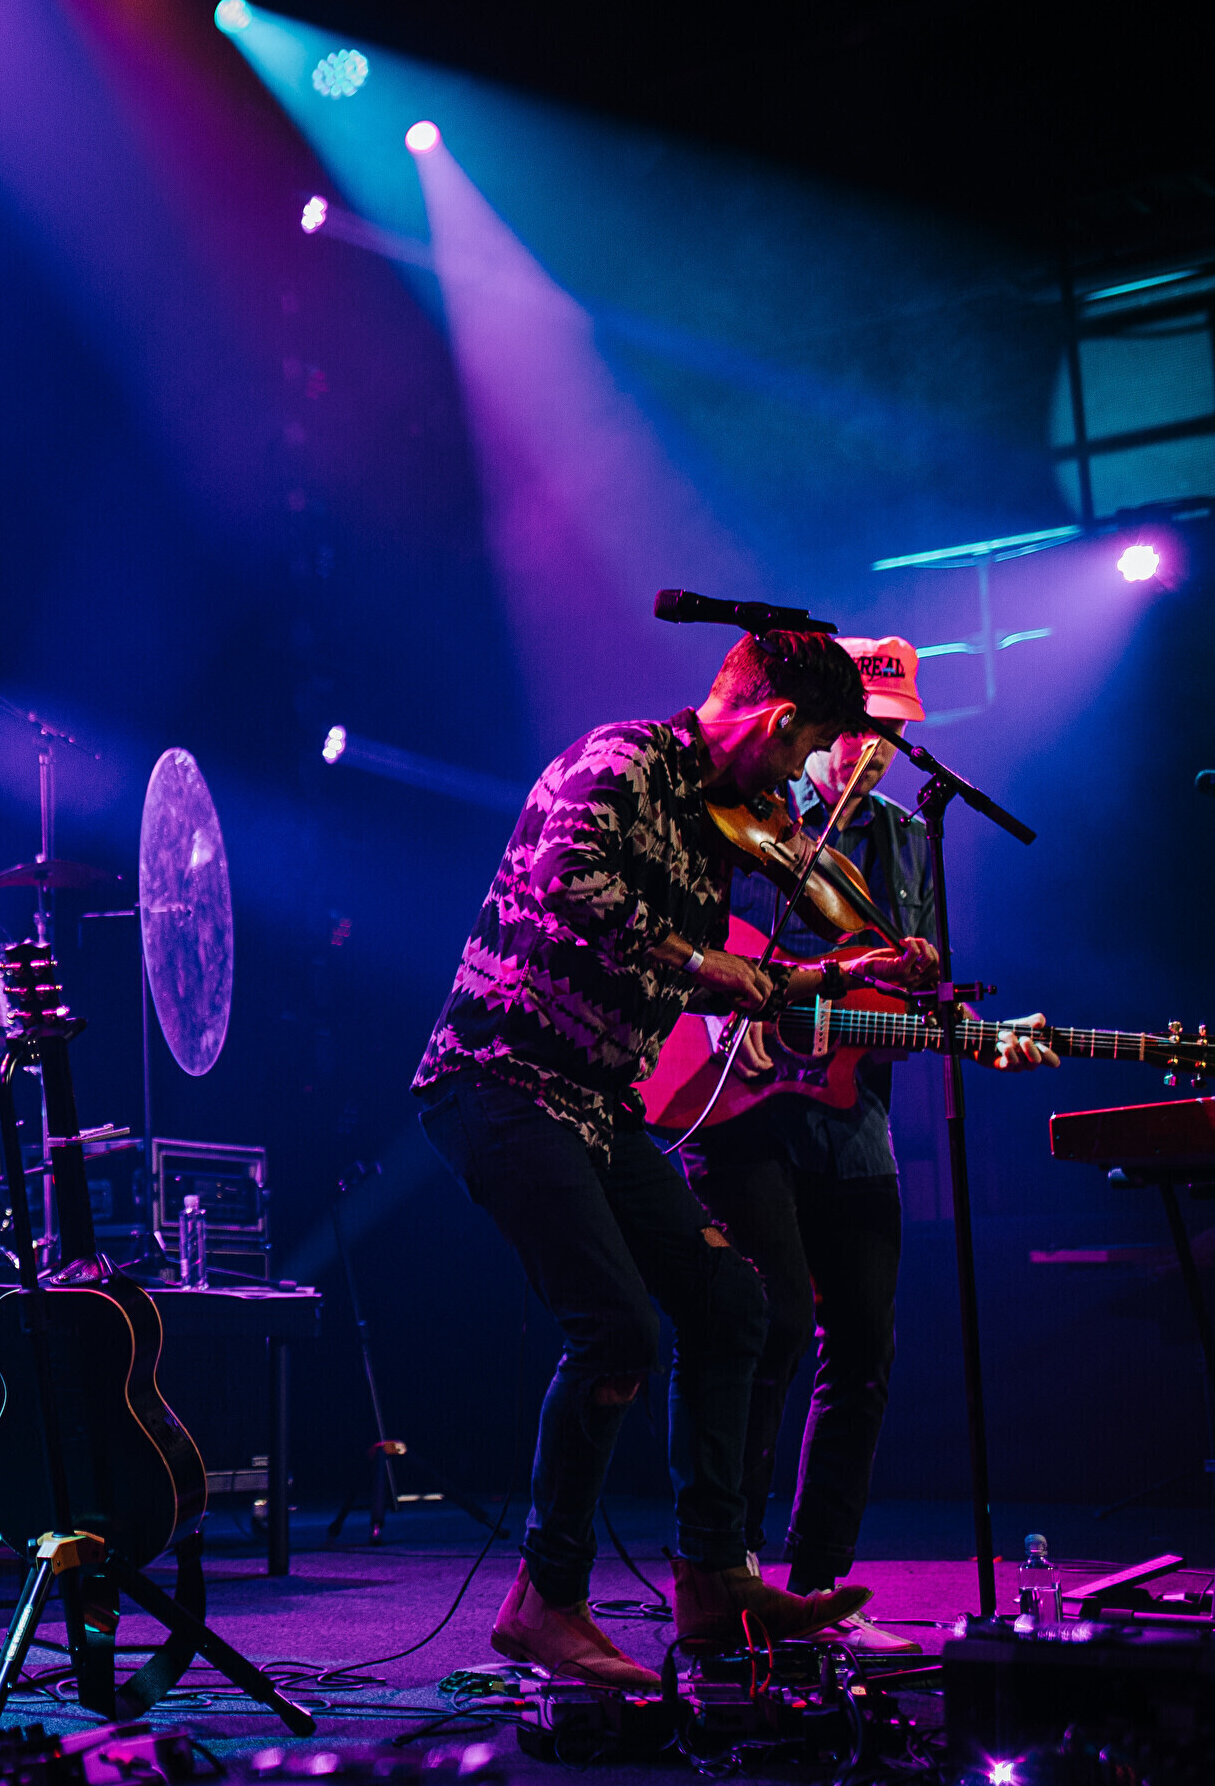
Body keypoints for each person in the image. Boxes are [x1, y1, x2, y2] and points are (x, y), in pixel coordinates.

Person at [411, 631, 941, 1688]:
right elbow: (574, 889)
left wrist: (843, 971)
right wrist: (707, 959)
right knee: (614, 1328)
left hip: (597, 1105)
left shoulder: (719, 819)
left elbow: (725, 978)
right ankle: (545, 1598)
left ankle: (712, 1579)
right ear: (778, 720)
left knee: (734, 1305)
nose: (804, 773)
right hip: (501, 1080)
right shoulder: (620, 763)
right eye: (809, 747)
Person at [680, 638, 1056, 1654]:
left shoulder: (905, 836)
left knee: (864, 1350)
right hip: (738, 1103)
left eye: (890, 733)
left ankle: (817, 1587)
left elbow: (906, 990)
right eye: (857, 729)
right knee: (768, 1332)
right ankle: (730, 1574)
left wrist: (960, 1021)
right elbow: (697, 938)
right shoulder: (748, 808)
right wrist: (734, 1006)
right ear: (815, 726)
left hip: (851, 1116)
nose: (872, 749)